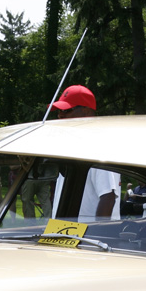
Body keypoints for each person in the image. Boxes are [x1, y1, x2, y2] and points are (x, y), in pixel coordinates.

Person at [50, 85, 119, 220]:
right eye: (58, 111)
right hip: (66, 235)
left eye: (66, 110)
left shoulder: (98, 147)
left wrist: (96, 235)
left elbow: (108, 198)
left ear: (86, 111)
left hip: (88, 238)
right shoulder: (71, 147)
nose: (60, 115)